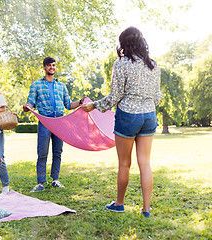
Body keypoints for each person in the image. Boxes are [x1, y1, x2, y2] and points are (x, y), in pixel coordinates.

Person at [82, 27, 162, 217]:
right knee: (145, 163)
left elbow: (115, 96)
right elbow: (157, 96)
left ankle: (119, 204)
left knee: (124, 164)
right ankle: (146, 209)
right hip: (149, 116)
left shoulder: (121, 64)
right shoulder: (153, 65)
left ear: (124, 43)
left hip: (128, 116)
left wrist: (94, 105)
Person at [23, 57, 81, 192]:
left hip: (60, 122)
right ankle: (41, 183)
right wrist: (27, 106)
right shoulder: (36, 85)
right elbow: (31, 101)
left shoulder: (61, 86)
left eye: (54, 65)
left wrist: (80, 102)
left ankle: (55, 180)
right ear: (44, 67)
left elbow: (69, 105)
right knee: (42, 152)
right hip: (45, 121)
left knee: (58, 152)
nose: (52, 68)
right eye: (49, 65)